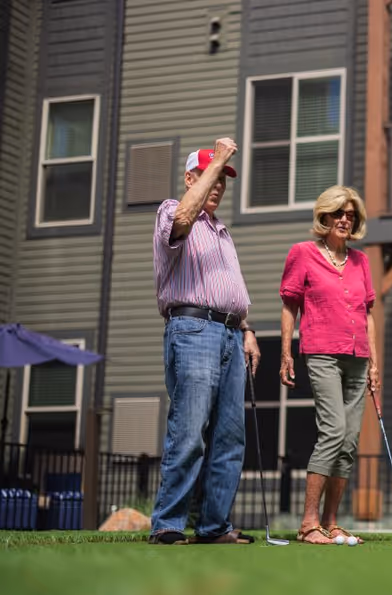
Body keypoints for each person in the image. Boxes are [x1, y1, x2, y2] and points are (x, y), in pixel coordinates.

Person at [149, 138, 261, 545]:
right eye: (209, 176)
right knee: (190, 430)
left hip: (231, 332)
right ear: (189, 177)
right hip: (193, 330)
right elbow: (181, 218)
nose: (218, 185)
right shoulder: (173, 212)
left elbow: (228, 290)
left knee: (230, 437)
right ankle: (169, 523)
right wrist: (220, 160)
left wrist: (247, 331)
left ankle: (214, 526)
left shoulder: (222, 232)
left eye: (223, 180)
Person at [279, 185, 379, 545]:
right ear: (324, 216)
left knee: (350, 441)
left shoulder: (360, 261)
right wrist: (287, 353)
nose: (344, 220)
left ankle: (332, 522)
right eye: (338, 213)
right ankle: (308, 523)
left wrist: (374, 363)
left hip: (358, 357)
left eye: (350, 215)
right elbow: (290, 304)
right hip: (321, 352)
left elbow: (367, 314)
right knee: (334, 430)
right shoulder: (303, 254)